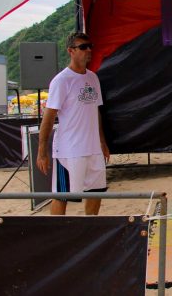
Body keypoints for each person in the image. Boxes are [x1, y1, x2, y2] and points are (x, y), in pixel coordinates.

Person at [36, 32, 110, 215]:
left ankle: (89, 230)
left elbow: (96, 112)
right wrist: (42, 151)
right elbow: (48, 116)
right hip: (70, 150)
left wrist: (102, 142)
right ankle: (57, 235)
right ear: (71, 51)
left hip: (92, 148)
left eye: (90, 46)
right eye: (83, 47)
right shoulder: (61, 81)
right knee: (63, 195)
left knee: (96, 192)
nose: (88, 50)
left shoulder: (93, 78)